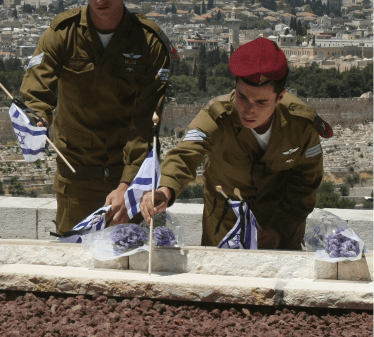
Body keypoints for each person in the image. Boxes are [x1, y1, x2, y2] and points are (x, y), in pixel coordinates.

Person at [20, 0, 175, 234]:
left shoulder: (149, 44)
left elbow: (145, 124)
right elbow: (37, 88)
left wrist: (126, 186)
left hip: (129, 178)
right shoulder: (62, 35)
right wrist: (38, 118)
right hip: (76, 177)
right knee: (73, 264)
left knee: (131, 261)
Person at [141, 37, 330, 250]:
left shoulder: (301, 125)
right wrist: (165, 189)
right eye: (242, 98)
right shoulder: (217, 115)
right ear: (235, 87)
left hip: (281, 226)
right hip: (226, 226)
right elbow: (185, 154)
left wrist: (278, 227)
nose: (249, 110)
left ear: (280, 97)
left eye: (261, 102)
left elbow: (306, 183)